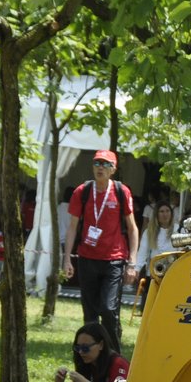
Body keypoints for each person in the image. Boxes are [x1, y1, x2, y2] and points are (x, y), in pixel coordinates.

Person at [62, 150, 139, 352]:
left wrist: (132, 262)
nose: (100, 168)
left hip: (114, 259)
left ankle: (114, 354)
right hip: (87, 258)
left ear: (113, 169)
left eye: (105, 164)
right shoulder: (83, 191)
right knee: (90, 313)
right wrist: (67, 259)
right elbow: (72, 227)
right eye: (97, 163)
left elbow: (133, 228)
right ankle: (90, 352)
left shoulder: (122, 192)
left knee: (108, 308)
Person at [54, 322, 129, 382]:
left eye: (85, 348)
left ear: (101, 345)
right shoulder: (86, 364)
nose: (80, 352)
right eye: (78, 348)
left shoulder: (118, 364)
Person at [134, 201, 176, 312]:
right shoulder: (149, 232)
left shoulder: (178, 230)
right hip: (153, 274)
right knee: (150, 305)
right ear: (157, 214)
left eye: (167, 211)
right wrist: (137, 269)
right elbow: (143, 251)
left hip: (172, 272)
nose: (165, 214)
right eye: (161, 211)